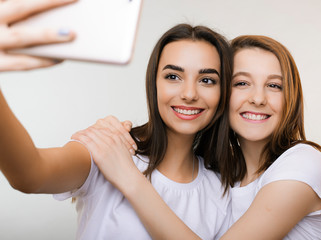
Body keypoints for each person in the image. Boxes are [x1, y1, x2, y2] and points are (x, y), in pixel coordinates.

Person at [0, 1, 233, 239]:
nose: (189, 94)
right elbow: (29, 175)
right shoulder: (110, 146)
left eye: (207, 80)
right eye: (173, 76)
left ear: (223, 91)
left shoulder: (221, 191)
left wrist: (130, 180)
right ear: (153, 84)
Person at [78, 35, 321, 239]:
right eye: (241, 83)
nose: (258, 99)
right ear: (222, 93)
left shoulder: (303, 162)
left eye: (274, 86)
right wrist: (115, 133)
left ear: (290, 97)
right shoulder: (220, 178)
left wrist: (128, 178)